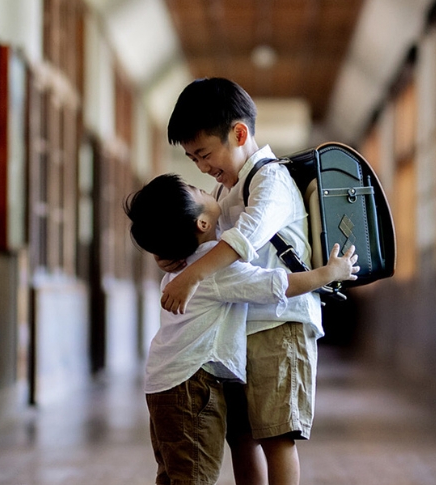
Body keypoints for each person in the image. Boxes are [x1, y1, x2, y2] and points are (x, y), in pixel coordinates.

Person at [125, 173, 358, 485]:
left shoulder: (183, 266)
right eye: (196, 189)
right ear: (202, 225)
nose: (206, 186)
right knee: (194, 476)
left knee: (173, 474)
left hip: (165, 385)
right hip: (192, 386)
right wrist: (330, 273)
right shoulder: (215, 267)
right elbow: (277, 284)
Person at [159, 77, 333, 485]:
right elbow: (212, 246)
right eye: (193, 159)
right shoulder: (228, 187)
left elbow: (242, 240)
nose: (202, 166)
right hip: (241, 329)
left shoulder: (271, 181)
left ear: (239, 133)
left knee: (276, 438)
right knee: (242, 437)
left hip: (281, 323)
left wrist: (191, 276)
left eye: (204, 153)